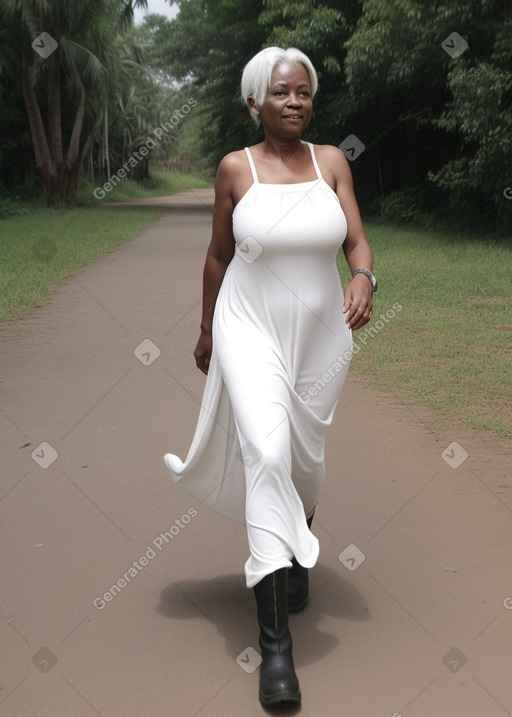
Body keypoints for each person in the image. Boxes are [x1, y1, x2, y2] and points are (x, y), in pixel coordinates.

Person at [164, 46, 376, 708]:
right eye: (282, 92)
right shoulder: (235, 169)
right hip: (248, 328)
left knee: (304, 459)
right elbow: (218, 255)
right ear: (255, 101)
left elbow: (357, 243)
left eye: (305, 92)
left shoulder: (331, 162)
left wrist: (365, 277)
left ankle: (298, 530)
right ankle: (276, 647)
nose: (295, 101)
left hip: (321, 338)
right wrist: (206, 330)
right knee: (268, 452)